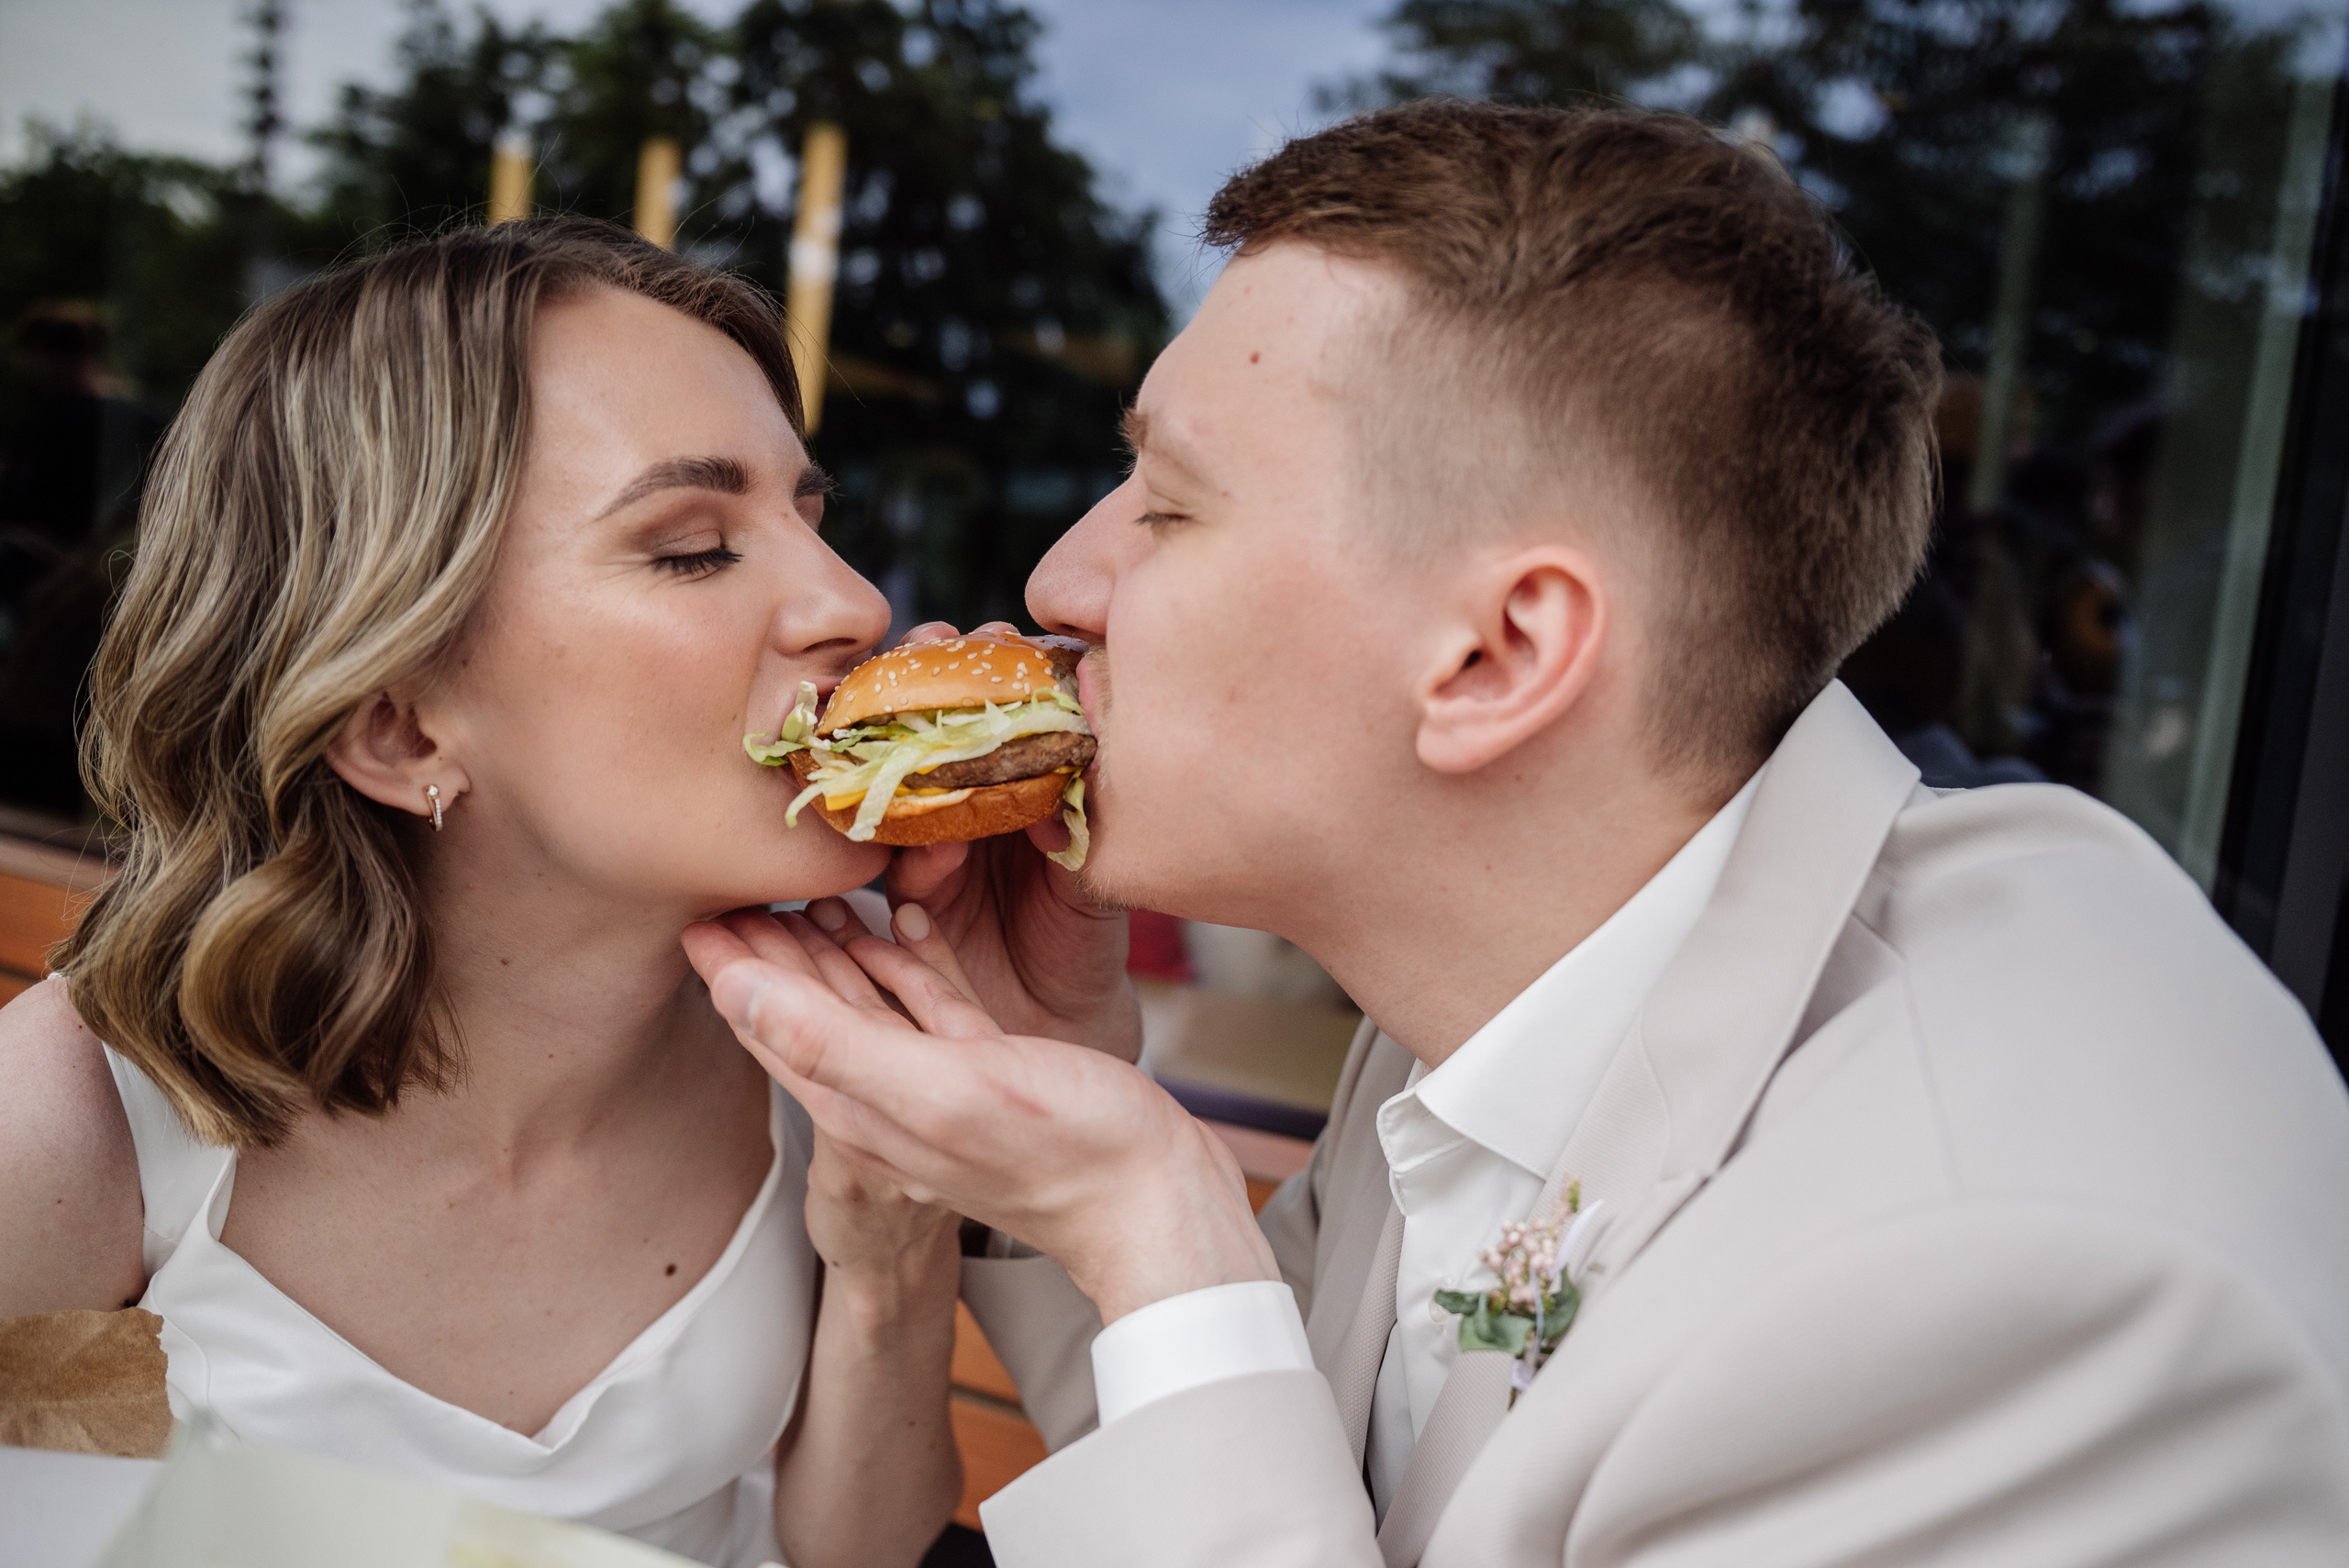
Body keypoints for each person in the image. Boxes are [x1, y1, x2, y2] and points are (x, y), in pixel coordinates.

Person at [685, 103, 2349, 1565]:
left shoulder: (2007, 1291)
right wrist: (1083, 1115)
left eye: (1169, 508)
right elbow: (1289, 1471)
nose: (1060, 585)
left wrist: (1152, 1217)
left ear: (1499, 658)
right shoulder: (1509, 958)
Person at [0, 218, 967, 1568]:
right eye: (693, 546)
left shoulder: (836, 1040)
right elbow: (53, 1517)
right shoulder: (83, 1128)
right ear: (399, 725)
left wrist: (890, 1255)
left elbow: (854, 1554)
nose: (855, 603)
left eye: (812, 519)